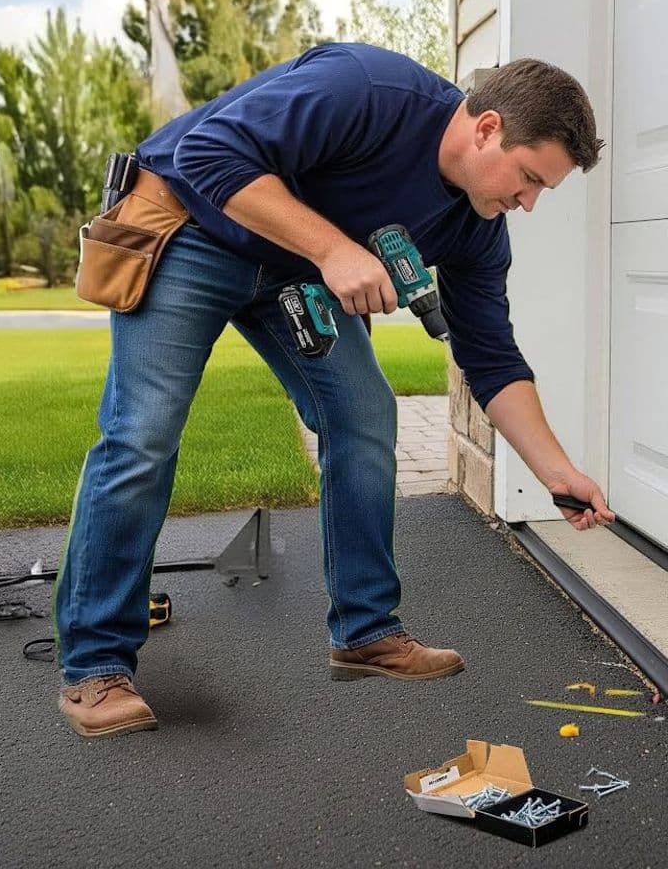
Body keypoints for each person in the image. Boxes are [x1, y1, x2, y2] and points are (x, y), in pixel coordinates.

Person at [52, 42, 616, 738]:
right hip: (192, 229)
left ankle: (366, 631)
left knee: (365, 415)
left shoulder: (478, 225)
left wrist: (556, 473)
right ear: (488, 128)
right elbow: (206, 154)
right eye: (528, 179)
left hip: (292, 270)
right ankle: (95, 665)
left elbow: (492, 358)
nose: (526, 203)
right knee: (144, 432)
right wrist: (333, 250)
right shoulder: (366, 88)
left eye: (541, 192)